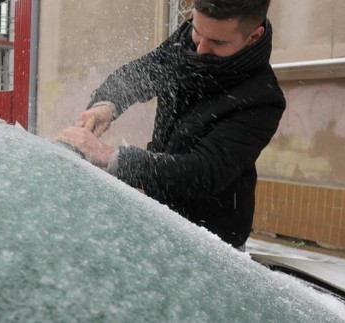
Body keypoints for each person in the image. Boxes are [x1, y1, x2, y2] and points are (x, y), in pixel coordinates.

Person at [56, 0, 285, 250]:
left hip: (212, 244)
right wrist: (106, 105)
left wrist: (108, 155)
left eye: (218, 43)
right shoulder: (186, 42)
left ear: (253, 36)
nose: (200, 48)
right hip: (159, 219)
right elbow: (144, 72)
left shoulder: (262, 99)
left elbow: (202, 172)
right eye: (198, 32)